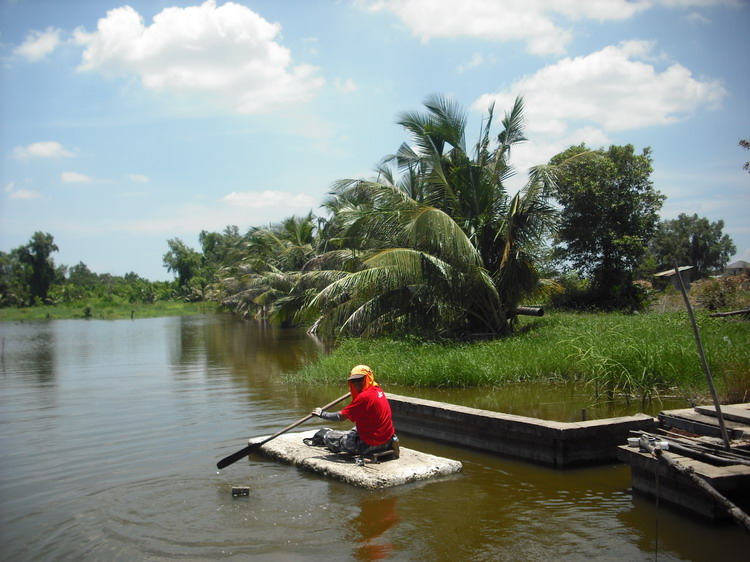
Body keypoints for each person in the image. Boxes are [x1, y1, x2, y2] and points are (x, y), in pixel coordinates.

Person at [311, 365, 398, 458]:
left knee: (329, 437)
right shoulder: (378, 390)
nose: (356, 384)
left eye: (360, 380)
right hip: (388, 440)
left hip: (370, 445)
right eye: (353, 381)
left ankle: (328, 435)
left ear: (368, 378)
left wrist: (322, 414)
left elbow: (340, 417)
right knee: (354, 429)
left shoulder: (364, 397)